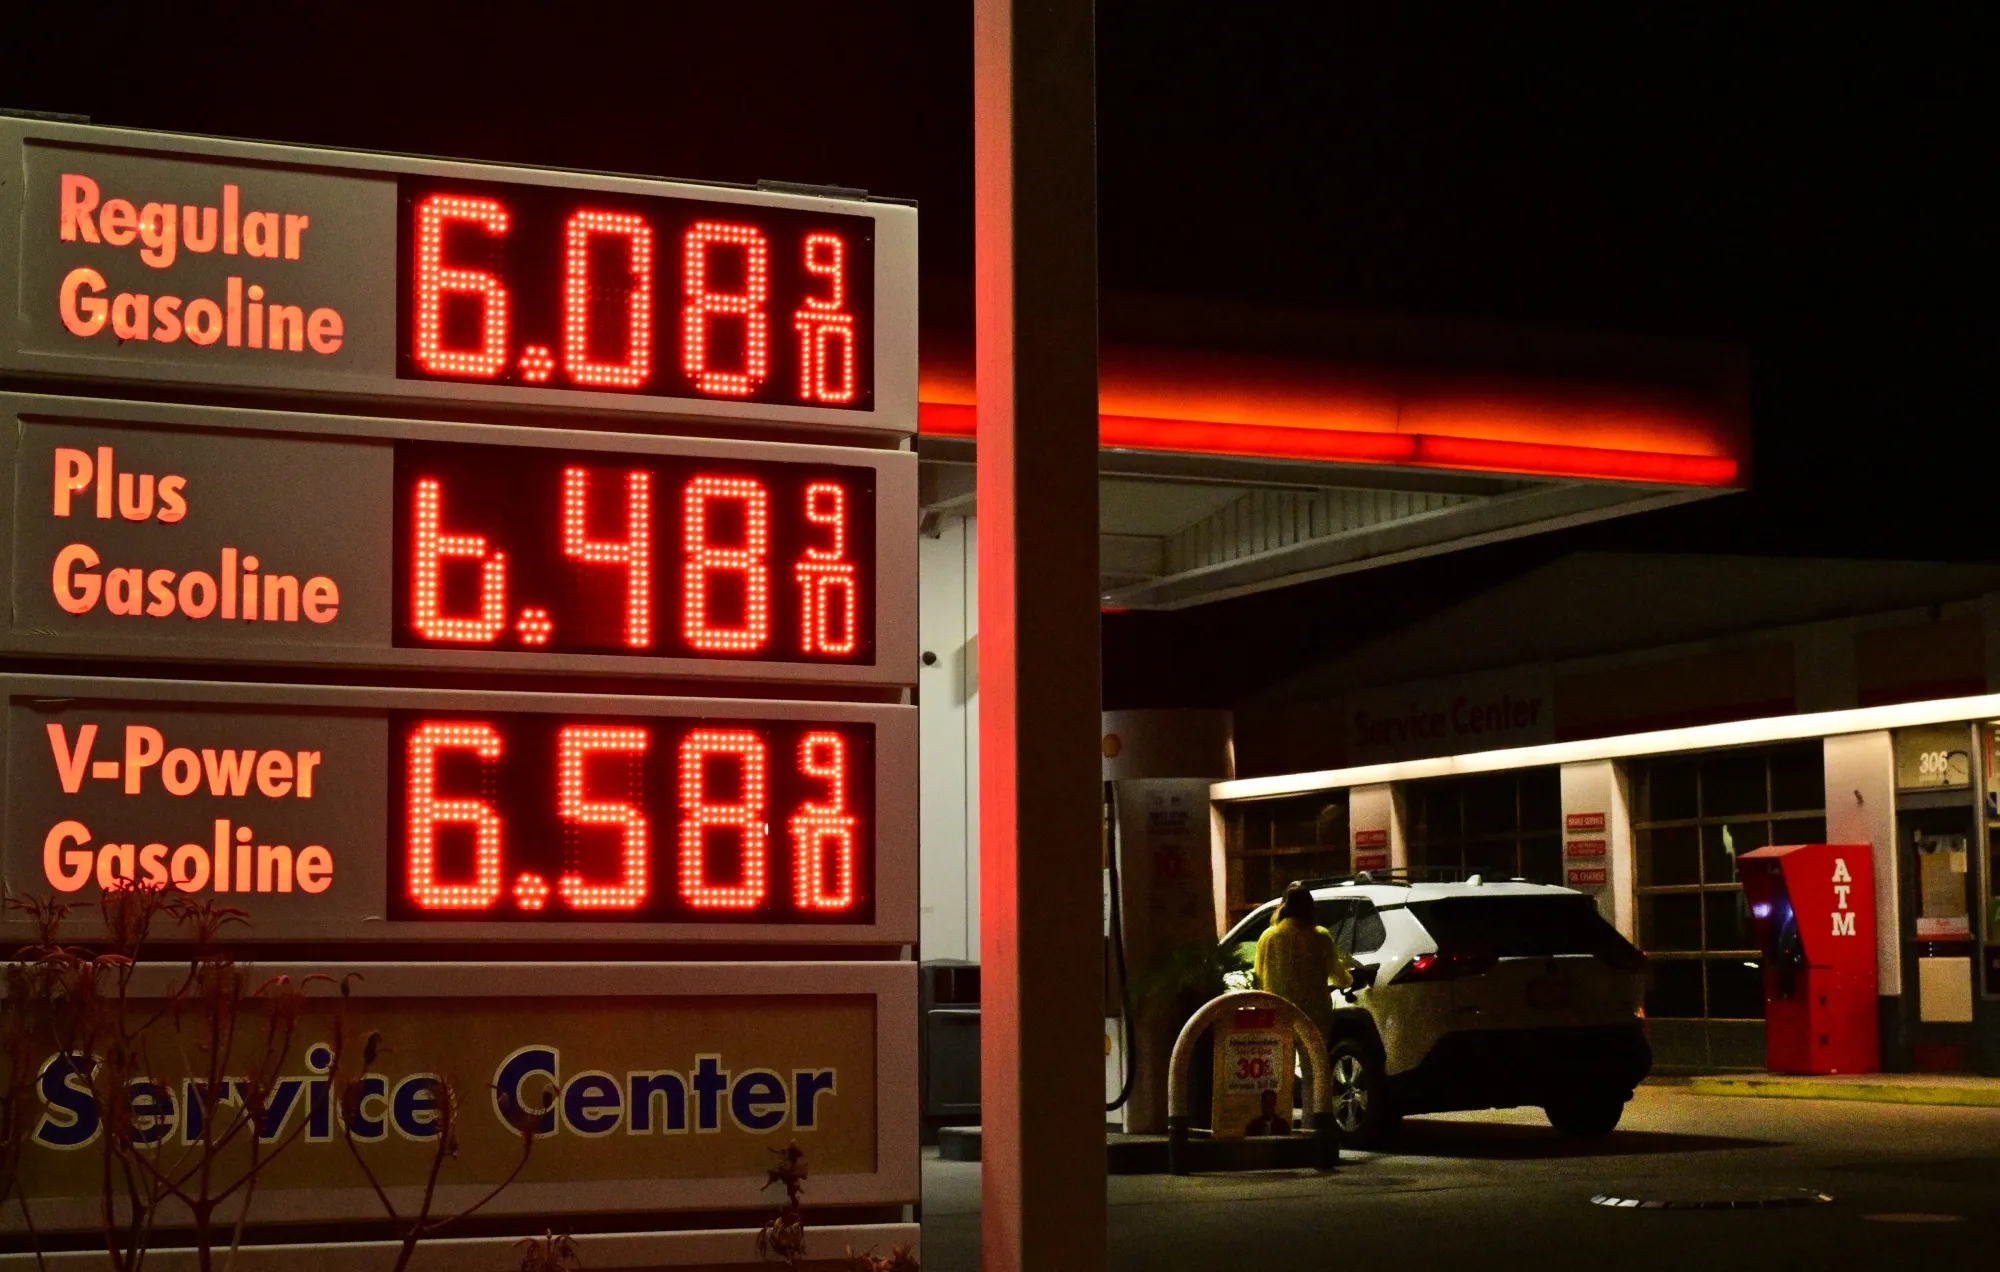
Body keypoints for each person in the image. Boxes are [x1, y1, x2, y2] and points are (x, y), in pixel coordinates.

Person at [1253, 882, 1352, 1050]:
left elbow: (1258, 976)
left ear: (1284, 906)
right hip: (1313, 1016)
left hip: (1278, 1014)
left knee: (1282, 1066)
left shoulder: (1268, 937)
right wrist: (1349, 978)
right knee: (1314, 1067)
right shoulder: (1320, 936)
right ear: (1310, 908)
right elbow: (1339, 976)